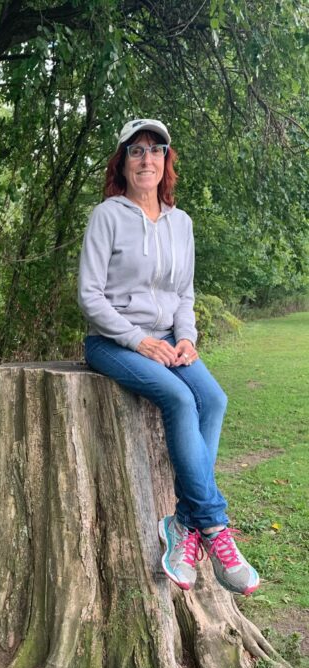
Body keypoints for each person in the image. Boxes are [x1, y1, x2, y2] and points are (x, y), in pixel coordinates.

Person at [78, 118, 259, 596]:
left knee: (214, 400)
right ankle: (215, 528)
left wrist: (187, 338)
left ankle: (183, 523)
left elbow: (184, 294)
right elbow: (90, 297)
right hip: (113, 342)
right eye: (135, 151)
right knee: (180, 401)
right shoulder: (108, 216)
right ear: (122, 162)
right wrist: (139, 340)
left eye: (155, 150)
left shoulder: (182, 223)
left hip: (168, 340)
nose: (146, 159)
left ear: (166, 161)